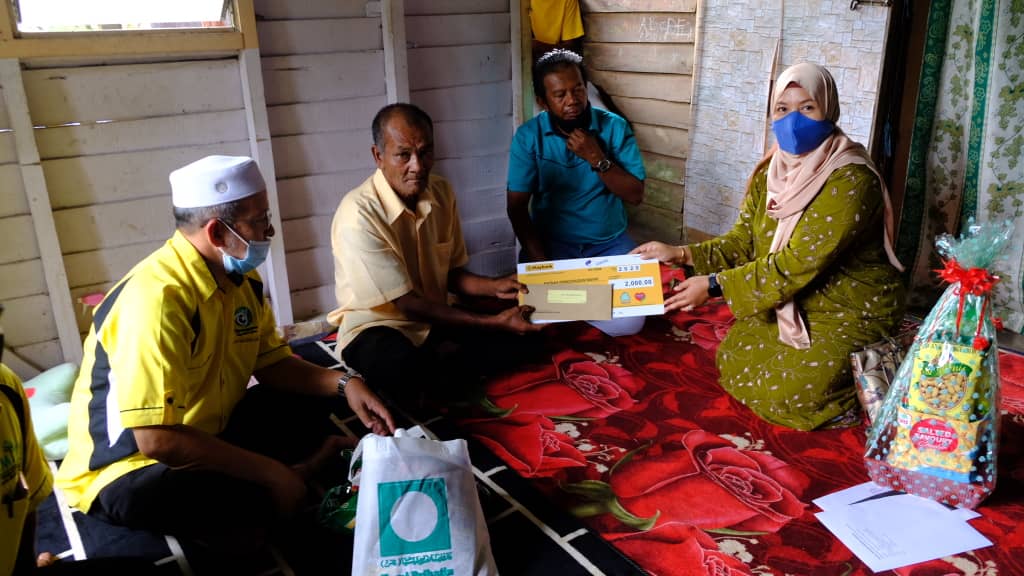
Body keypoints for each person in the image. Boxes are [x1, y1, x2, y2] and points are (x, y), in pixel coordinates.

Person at [55, 156, 395, 557]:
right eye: (260, 219)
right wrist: (272, 474)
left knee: (310, 400)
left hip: (204, 430)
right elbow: (156, 439)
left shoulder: (241, 279)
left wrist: (345, 383)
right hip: (131, 468)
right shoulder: (157, 302)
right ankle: (286, 478)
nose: (269, 230)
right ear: (218, 232)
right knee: (241, 505)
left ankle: (287, 473)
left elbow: (271, 364)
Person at [633, 62, 906, 430]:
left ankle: (854, 393)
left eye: (808, 107)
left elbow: (796, 263)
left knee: (794, 391)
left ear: (830, 109)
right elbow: (744, 240)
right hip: (796, 300)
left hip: (848, 305)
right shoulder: (771, 170)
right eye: (783, 109)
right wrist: (679, 253)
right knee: (734, 359)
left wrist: (714, 286)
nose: (793, 120)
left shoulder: (852, 178)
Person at [329, 103, 543, 407]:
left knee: (530, 335)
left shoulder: (441, 192)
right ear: (378, 157)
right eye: (403, 154)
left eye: (425, 152)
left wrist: (495, 286)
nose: (417, 165)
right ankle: (442, 364)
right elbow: (408, 305)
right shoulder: (358, 215)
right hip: (378, 326)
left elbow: (453, 274)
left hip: (435, 316)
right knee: (400, 371)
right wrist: (493, 322)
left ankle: (445, 359)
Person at [507, 49, 647, 337]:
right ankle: (590, 302)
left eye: (578, 90)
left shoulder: (614, 127)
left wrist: (597, 158)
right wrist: (544, 267)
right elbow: (517, 208)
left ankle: (571, 304)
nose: (572, 101)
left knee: (631, 323)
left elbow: (635, 194)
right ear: (542, 102)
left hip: (608, 245)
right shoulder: (528, 137)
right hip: (553, 248)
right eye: (560, 95)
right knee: (535, 316)